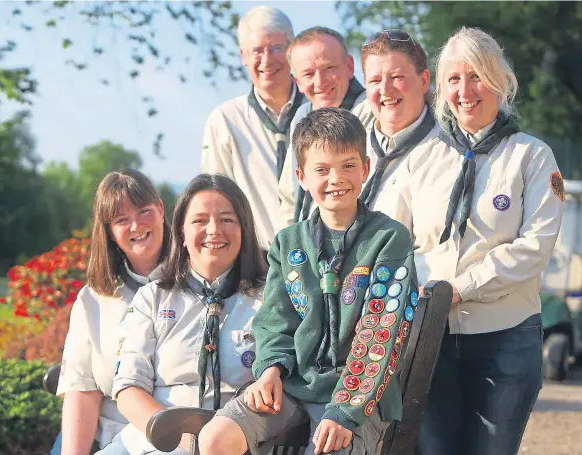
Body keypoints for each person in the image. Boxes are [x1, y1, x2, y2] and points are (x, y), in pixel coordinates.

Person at [199, 108, 418, 455]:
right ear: (301, 176)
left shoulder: (389, 239)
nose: (336, 179)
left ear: (365, 168)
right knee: (214, 439)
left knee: (328, 446)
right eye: (322, 169)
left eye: (348, 165)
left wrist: (345, 412)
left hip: (359, 395)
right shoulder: (288, 243)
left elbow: (382, 331)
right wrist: (269, 370)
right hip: (293, 385)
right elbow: (275, 321)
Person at [401, 27, 565, 455]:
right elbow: (396, 241)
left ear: (499, 80)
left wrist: (462, 287)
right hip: (430, 339)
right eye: (453, 79)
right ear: (441, 89)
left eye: (476, 76)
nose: (465, 90)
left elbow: (535, 248)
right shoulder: (421, 160)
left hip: (506, 340)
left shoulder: (532, 156)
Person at [97, 174, 267, 455]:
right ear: (182, 233)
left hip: (232, 441)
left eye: (226, 219)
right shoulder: (152, 297)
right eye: (200, 221)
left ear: (244, 229)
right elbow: (128, 388)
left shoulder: (269, 299)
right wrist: (176, 438)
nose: (213, 230)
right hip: (152, 441)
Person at [53, 169, 171, 455]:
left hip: (173, 436)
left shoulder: (197, 282)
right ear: (109, 231)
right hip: (109, 436)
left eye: (144, 211)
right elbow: (82, 389)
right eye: (121, 220)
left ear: (161, 209)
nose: (136, 225)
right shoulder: (93, 300)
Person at [201, 6, 303, 252]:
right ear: (243, 56)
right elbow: (216, 201)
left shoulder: (319, 111)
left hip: (321, 260)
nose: (267, 60)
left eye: (276, 48)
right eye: (257, 50)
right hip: (255, 266)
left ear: (292, 50)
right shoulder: (225, 121)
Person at [278, 26, 374, 225]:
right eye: (308, 74)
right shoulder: (301, 117)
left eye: (329, 68)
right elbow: (289, 197)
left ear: (349, 66)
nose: (320, 82)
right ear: (297, 81)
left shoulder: (373, 111)